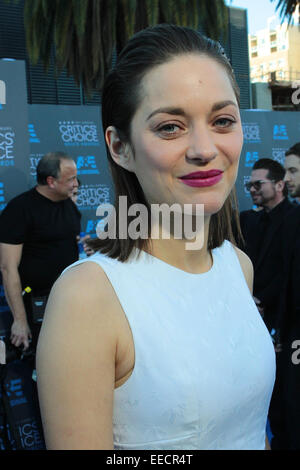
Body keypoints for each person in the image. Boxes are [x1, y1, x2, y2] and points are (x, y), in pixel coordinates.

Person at [36, 24, 275, 450]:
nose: (204, 148)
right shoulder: (87, 297)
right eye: (170, 127)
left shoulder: (238, 266)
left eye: (222, 120)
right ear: (119, 147)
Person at [0, 151, 81, 352]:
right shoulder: (19, 210)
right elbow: (8, 268)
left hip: (72, 299)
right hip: (40, 304)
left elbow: (65, 238)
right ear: (51, 181)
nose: (76, 184)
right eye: (70, 179)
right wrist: (19, 320)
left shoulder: (68, 203)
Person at [240, 158, 294, 335]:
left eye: (258, 184)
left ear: (279, 185)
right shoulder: (250, 220)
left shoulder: (295, 218)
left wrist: (262, 300)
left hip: (283, 316)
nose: (252, 190)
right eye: (250, 186)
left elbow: (290, 270)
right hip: (249, 313)